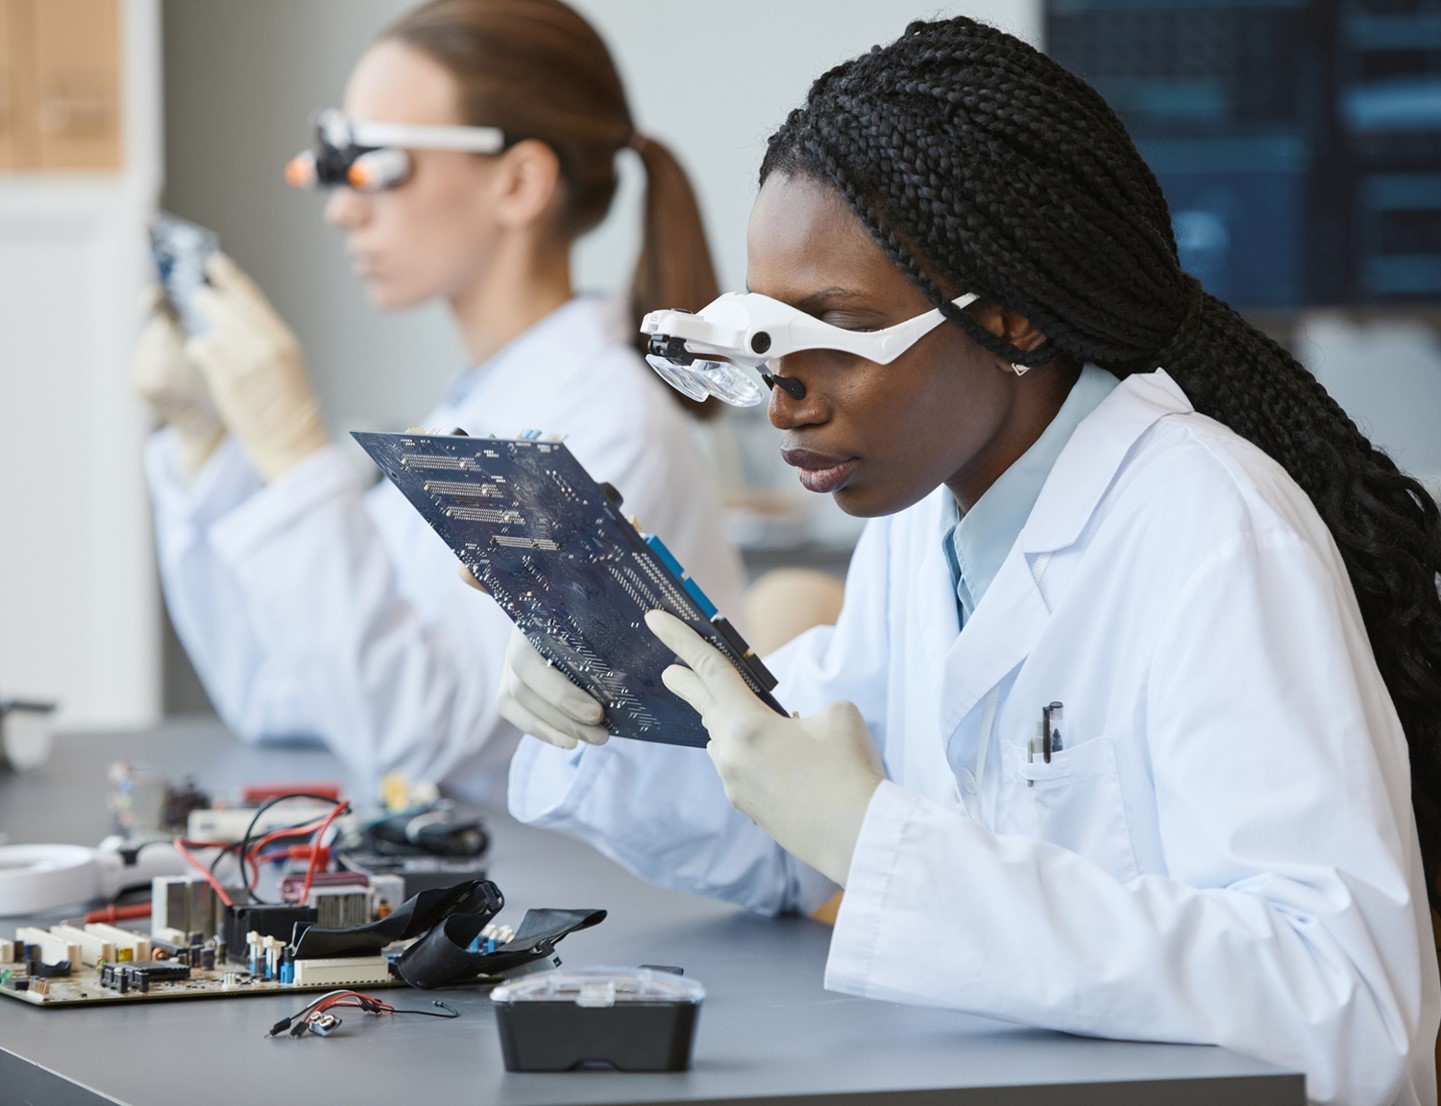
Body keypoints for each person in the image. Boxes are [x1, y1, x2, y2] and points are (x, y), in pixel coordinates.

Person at [492, 16, 1441, 1105]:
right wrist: (612, 690)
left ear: (1010, 321)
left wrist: (880, 842)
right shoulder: (920, 517)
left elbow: (1356, 1009)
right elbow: (783, 842)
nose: (786, 393)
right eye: (764, 336)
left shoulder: (1212, 530)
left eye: (834, 328)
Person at [130, 0, 746, 801]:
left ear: (519, 181)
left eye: (376, 164)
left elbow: (422, 735)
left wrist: (295, 457)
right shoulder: (486, 399)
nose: (342, 205)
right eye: (334, 164)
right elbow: (280, 694)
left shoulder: (602, 425)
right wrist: (208, 444)